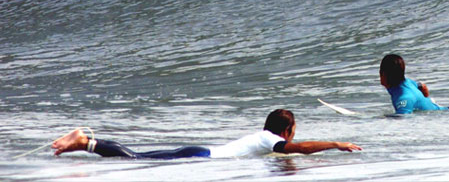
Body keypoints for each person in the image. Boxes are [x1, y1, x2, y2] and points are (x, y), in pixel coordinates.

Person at [51, 108, 361, 159]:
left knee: (137, 156)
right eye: (293, 132)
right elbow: (300, 149)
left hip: (198, 153)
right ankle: (84, 140)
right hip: (199, 156)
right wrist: (335, 144)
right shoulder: (270, 139)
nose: (293, 137)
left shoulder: (263, 137)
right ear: (286, 130)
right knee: (134, 157)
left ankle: (82, 144)